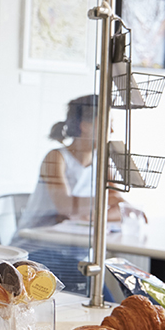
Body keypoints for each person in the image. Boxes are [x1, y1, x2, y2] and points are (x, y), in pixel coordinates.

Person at [12, 95, 132, 294]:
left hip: (76, 253)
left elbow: (121, 210)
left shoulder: (102, 162)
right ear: (85, 125)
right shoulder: (56, 158)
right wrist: (105, 202)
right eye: (107, 124)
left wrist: (85, 215)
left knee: (106, 288)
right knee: (100, 292)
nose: (111, 131)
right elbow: (65, 206)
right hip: (38, 251)